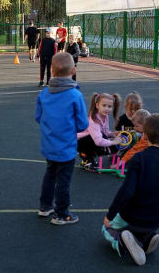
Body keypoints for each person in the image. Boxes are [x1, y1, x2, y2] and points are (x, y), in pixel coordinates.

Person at [102, 114, 159, 266]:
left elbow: (127, 192)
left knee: (106, 228)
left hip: (132, 216)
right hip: (157, 220)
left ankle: (120, 239)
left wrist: (110, 214)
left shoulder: (139, 159)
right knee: (146, 223)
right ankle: (146, 238)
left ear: (145, 135)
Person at [36, 52, 89, 225]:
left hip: (49, 144)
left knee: (50, 175)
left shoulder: (44, 94)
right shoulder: (75, 96)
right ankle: (61, 213)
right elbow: (82, 125)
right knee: (64, 181)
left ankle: (45, 207)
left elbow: (38, 117)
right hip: (66, 147)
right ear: (73, 71)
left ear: (51, 70)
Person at [77, 93, 123, 172]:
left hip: (89, 140)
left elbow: (105, 132)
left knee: (111, 145)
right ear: (97, 105)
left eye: (109, 106)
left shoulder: (105, 116)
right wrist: (113, 142)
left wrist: (113, 134)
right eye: (104, 105)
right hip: (79, 142)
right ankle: (86, 158)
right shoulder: (94, 119)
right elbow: (98, 141)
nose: (106, 108)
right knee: (109, 146)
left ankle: (88, 155)